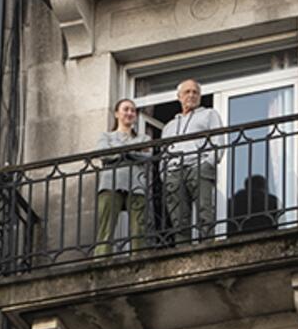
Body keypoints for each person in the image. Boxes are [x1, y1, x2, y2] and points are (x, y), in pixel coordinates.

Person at [161, 79, 223, 243]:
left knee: (205, 211)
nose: (191, 95)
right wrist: (163, 172)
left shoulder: (209, 114)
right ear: (179, 97)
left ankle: (208, 247)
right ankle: (183, 251)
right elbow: (164, 151)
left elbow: (218, 139)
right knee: (178, 216)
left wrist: (209, 161)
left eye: (195, 92)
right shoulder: (169, 126)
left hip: (199, 165)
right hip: (173, 171)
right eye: (187, 92)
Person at [92, 99, 151, 257]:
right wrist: (132, 151)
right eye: (126, 109)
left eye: (133, 110)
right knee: (106, 227)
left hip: (137, 184)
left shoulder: (144, 138)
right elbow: (103, 153)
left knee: (138, 228)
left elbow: (147, 156)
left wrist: (119, 152)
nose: (130, 113)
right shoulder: (106, 136)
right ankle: (101, 261)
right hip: (111, 183)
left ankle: (139, 261)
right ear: (117, 114)